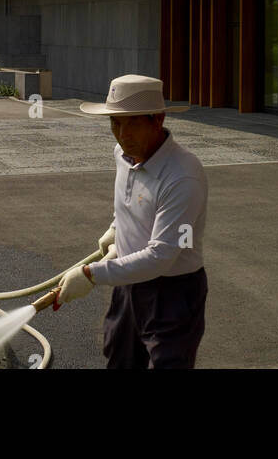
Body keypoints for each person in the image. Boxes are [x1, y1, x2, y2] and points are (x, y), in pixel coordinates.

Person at [53, 73, 208, 369]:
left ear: (157, 120)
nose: (123, 134)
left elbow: (161, 256)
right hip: (128, 284)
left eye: (133, 122)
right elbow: (128, 201)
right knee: (120, 359)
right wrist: (116, 229)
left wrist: (90, 274)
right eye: (115, 123)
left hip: (172, 293)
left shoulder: (182, 175)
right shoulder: (123, 154)